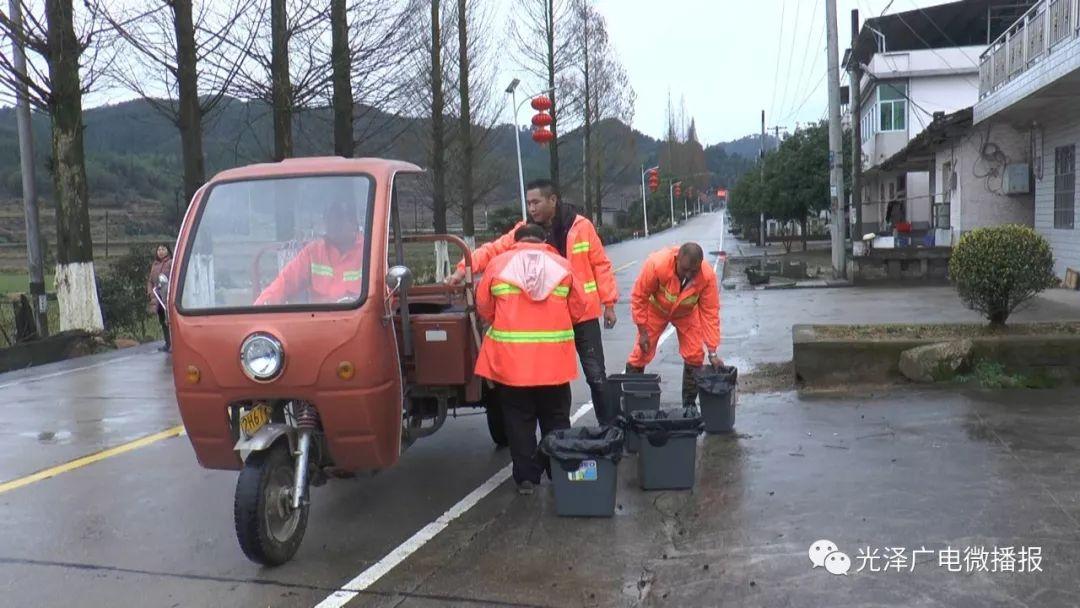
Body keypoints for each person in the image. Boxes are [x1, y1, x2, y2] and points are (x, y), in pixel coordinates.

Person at [448, 179, 619, 424]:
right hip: (549, 320)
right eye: (529, 203)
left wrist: (609, 303)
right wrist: (463, 268)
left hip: (583, 313)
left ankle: (608, 429)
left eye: (536, 202)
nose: (532, 208)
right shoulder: (525, 231)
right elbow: (493, 250)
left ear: (553, 200)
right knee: (552, 378)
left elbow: (600, 264)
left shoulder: (581, 227)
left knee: (596, 377)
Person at [474, 223, 590, 495]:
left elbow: (484, 307)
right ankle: (558, 470)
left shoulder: (498, 264)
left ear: (515, 241)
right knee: (556, 419)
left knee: (518, 422)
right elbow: (579, 307)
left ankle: (526, 479)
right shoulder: (562, 265)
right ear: (544, 240)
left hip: (512, 365)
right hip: (555, 364)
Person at [626, 243, 724, 407]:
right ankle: (631, 401)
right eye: (685, 269)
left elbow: (710, 313)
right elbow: (639, 297)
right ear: (677, 259)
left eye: (694, 271)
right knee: (640, 353)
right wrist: (642, 331)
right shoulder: (657, 264)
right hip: (656, 310)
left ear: (700, 264)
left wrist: (712, 352)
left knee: (695, 355)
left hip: (686, 313)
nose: (689, 274)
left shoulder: (706, 276)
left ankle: (689, 406)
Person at [255, 201, 364, 305]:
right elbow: (284, 283)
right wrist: (258, 309)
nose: (333, 223)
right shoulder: (313, 252)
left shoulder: (368, 251)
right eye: (329, 217)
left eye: (339, 217)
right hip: (319, 321)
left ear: (354, 223)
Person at [147, 244, 173, 352]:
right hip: (158, 298)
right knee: (163, 321)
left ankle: (174, 344)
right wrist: (150, 292)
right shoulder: (155, 265)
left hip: (167, 297)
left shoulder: (171, 263)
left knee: (170, 321)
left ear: (168, 251)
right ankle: (167, 343)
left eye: (163, 249)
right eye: (159, 249)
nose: (161, 251)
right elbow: (150, 281)